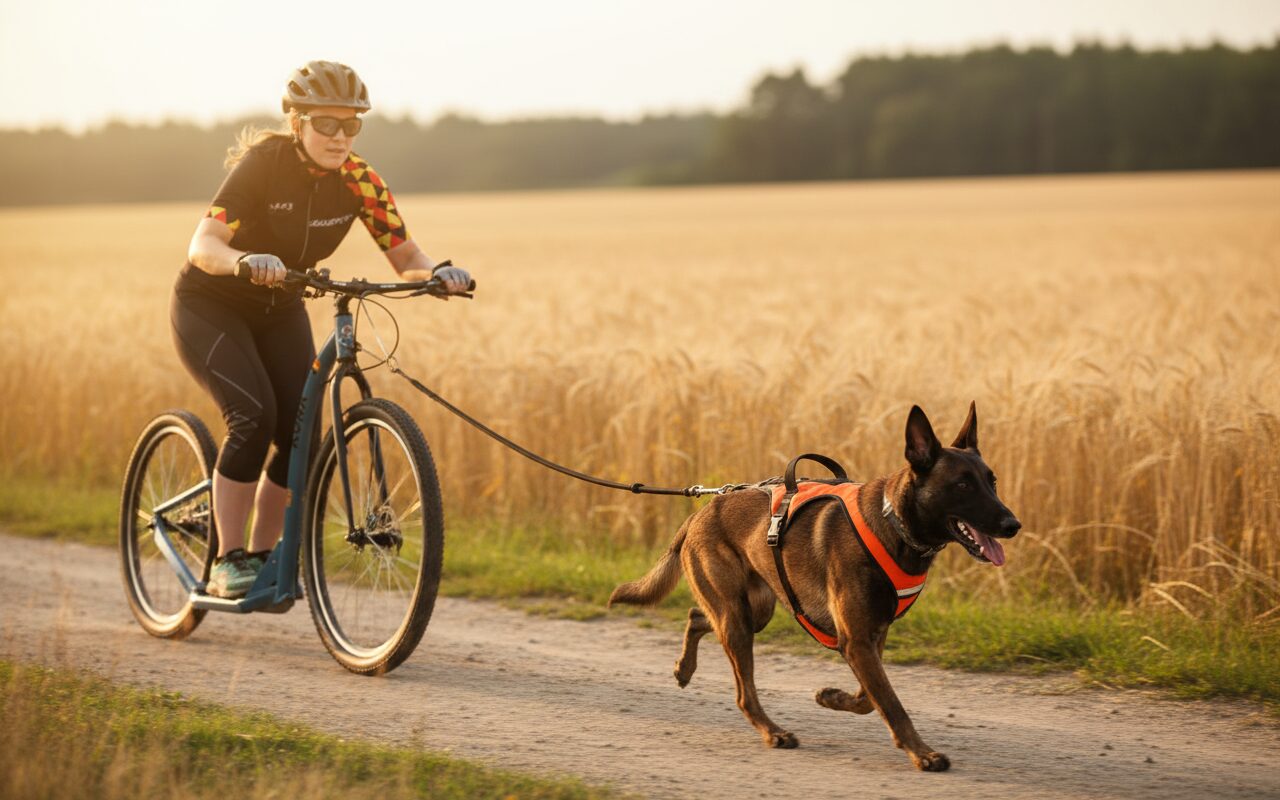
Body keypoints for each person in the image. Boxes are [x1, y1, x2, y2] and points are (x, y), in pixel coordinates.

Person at [171, 60, 471, 598]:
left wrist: (438, 273)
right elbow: (203, 246)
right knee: (254, 418)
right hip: (211, 303)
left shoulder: (359, 180)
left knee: (300, 433)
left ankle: (261, 559)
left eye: (351, 125)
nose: (339, 136)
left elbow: (405, 255)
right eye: (326, 124)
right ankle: (226, 559)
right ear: (297, 123)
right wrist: (244, 260)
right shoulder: (265, 166)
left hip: (279, 307)